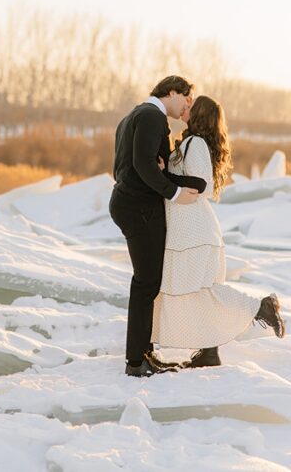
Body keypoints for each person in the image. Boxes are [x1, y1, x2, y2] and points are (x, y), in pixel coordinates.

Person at [152, 95, 286, 368]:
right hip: (188, 230)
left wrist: (165, 176)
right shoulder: (192, 142)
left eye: (191, 106)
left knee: (203, 291)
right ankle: (209, 351)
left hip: (193, 232)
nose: (185, 108)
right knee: (198, 292)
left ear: (199, 114)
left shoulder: (196, 143)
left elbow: (200, 184)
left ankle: (261, 306)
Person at [109, 75, 208, 377]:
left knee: (147, 281)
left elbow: (124, 168)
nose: (187, 107)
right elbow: (143, 165)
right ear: (173, 91)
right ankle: (136, 361)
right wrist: (175, 194)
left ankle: (143, 354)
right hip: (140, 208)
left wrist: (187, 183)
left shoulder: (132, 117)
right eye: (187, 99)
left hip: (129, 203)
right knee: (146, 283)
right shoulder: (152, 116)